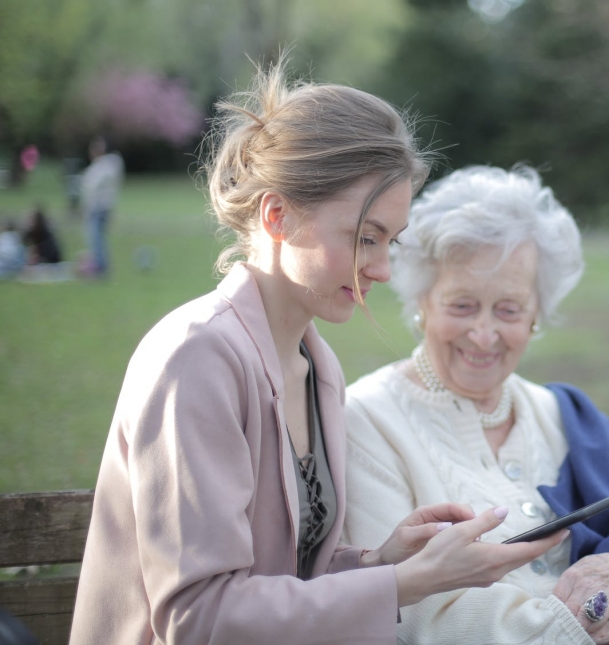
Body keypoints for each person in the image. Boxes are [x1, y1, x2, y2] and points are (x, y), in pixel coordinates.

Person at [69, 60, 564, 645]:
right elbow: (199, 618)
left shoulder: (315, 365)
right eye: (363, 238)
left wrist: (384, 562)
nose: (381, 268)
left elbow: (284, 578)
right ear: (278, 215)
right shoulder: (195, 358)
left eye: (389, 242)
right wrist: (402, 586)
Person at [342, 166, 609, 644]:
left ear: (536, 316)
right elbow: (415, 615)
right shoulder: (367, 419)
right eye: (461, 305)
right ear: (422, 302)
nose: (483, 334)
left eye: (509, 310)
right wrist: (574, 625)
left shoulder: (563, 416)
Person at [78, 134, 124, 276]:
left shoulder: (108, 164)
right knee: (96, 238)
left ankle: (100, 267)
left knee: (96, 238)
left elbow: (92, 186)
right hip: (100, 207)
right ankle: (98, 265)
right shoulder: (103, 165)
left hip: (99, 207)